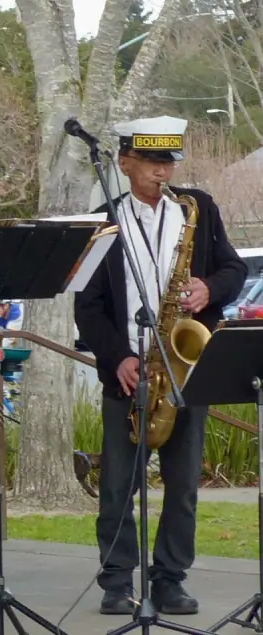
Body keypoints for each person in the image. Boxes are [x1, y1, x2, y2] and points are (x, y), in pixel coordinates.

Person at [75, 116, 245, 616]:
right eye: (151, 162)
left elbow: (234, 268)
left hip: (186, 369)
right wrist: (118, 358)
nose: (161, 172)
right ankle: (116, 580)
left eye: (168, 161)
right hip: (130, 369)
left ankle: (170, 577)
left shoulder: (200, 209)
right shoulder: (104, 220)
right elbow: (87, 306)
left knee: (184, 486)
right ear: (124, 163)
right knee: (118, 487)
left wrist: (209, 288)